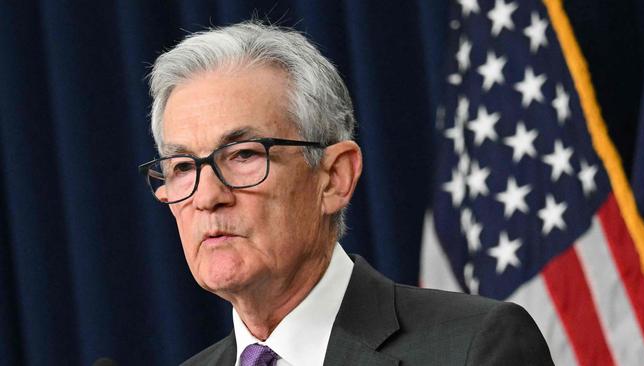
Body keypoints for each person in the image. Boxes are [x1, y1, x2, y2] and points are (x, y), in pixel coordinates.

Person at [138, 21, 554, 366]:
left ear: (335, 178)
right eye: (183, 167)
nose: (207, 196)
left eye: (244, 155)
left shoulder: (473, 348)